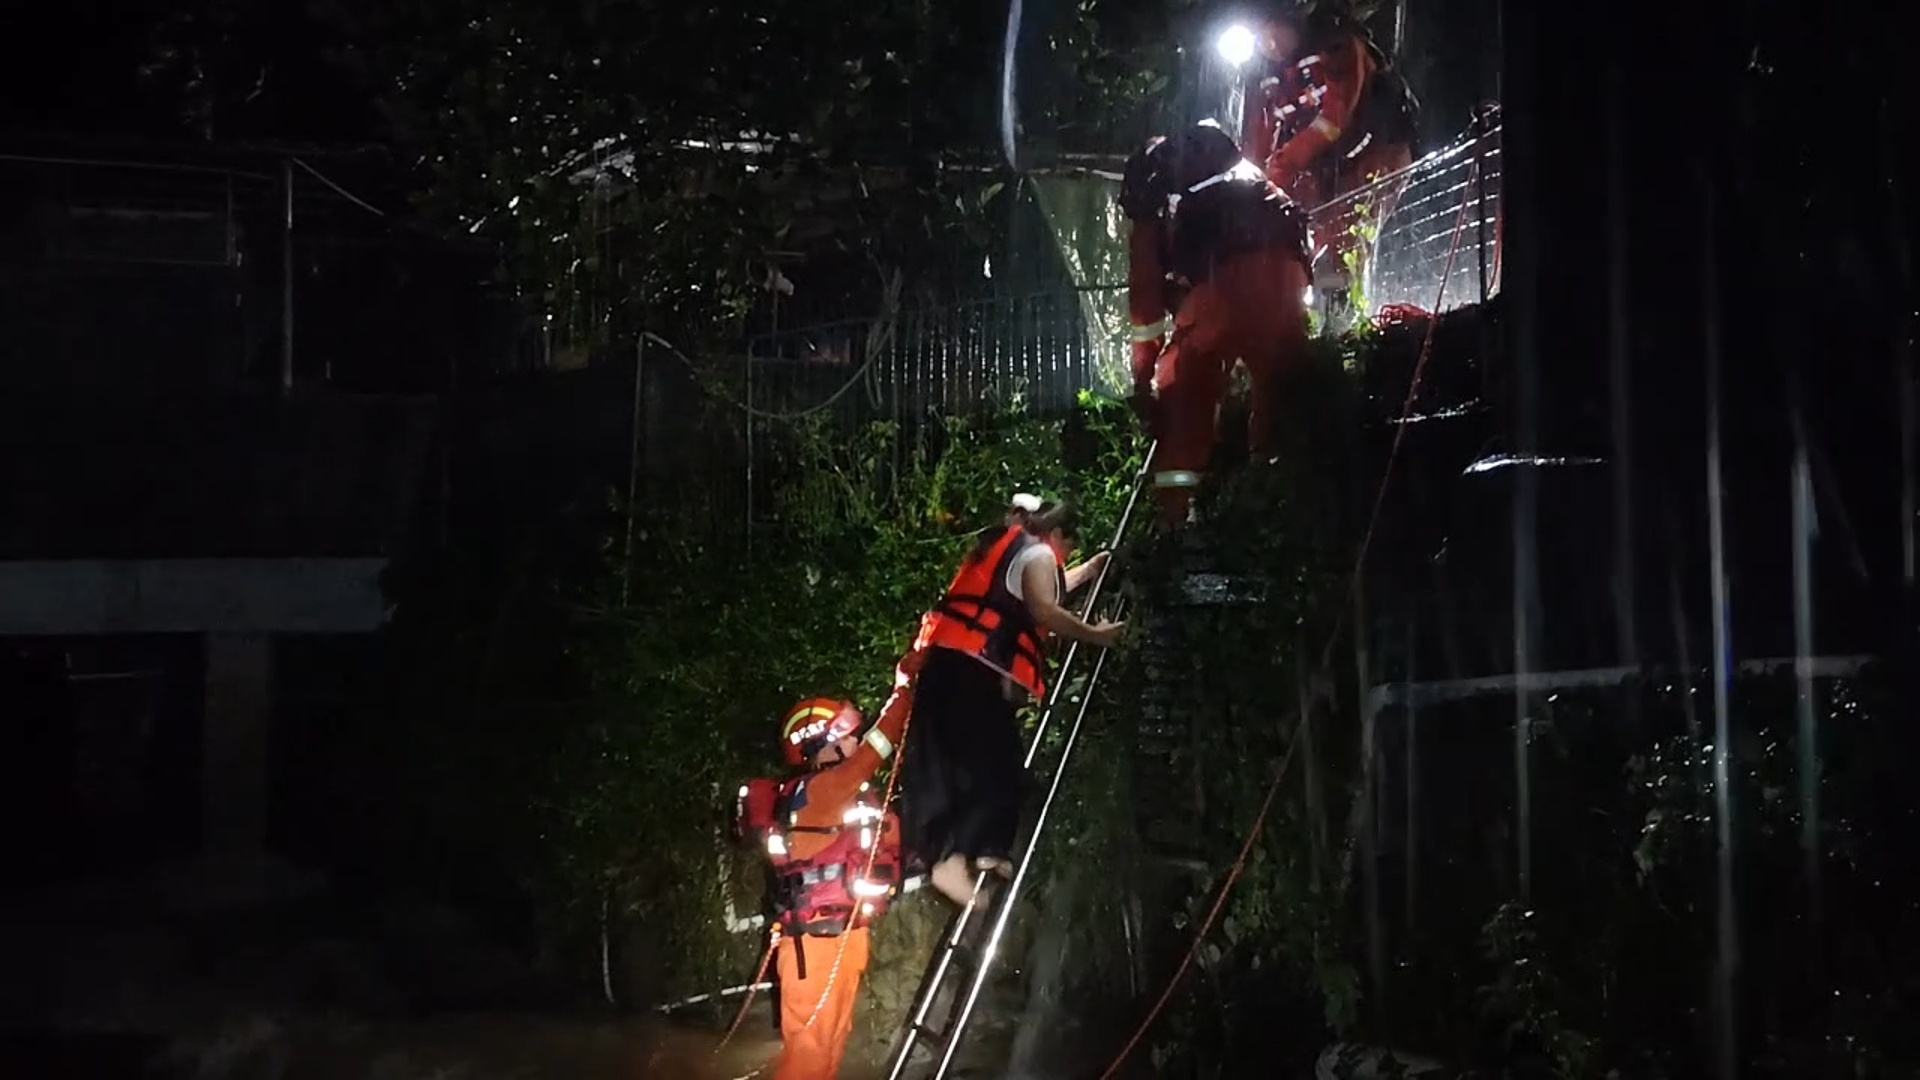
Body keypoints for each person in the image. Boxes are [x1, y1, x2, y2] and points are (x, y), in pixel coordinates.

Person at [898, 499, 1121, 906]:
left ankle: (985, 851)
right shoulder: (1036, 552)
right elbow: (1044, 609)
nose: (1064, 558)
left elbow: (1028, 596)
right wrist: (1097, 634)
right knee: (990, 765)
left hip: (952, 665)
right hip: (971, 672)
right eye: (1069, 550)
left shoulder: (1016, 553)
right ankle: (954, 859)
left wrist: (1088, 571)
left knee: (987, 764)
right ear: (1057, 536)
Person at [1120, 121, 1314, 526]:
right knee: (1277, 391)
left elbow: (1145, 307)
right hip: (1290, 273)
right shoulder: (1244, 179)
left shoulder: (1152, 211)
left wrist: (1145, 380)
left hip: (1224, 286)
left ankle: (1173, 526)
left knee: (1183, 394)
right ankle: (1276, 506)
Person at [737, 695, 910, 1080]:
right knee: (808, 1057)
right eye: (848, 736)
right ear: (821, 743)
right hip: (811, 948)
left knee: (830, 1047)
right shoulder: (821, 790)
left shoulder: (836, 791)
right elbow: (879, 747)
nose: (856, 742)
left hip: (844, 938)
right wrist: (907, 689)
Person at [1243, 3, 1419, 298]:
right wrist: (1255, 189)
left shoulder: (1336, 43)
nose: (1269, 44)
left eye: (1273, 33)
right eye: (1261, 38)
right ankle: (1298, 315)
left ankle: (1344, 325)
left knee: (1344, 244)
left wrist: (1284, 164)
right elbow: (1258, 139)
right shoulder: (1265, 76)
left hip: (1379, 150)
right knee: (1294, 239)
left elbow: (1336, 116)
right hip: (1324, 167)